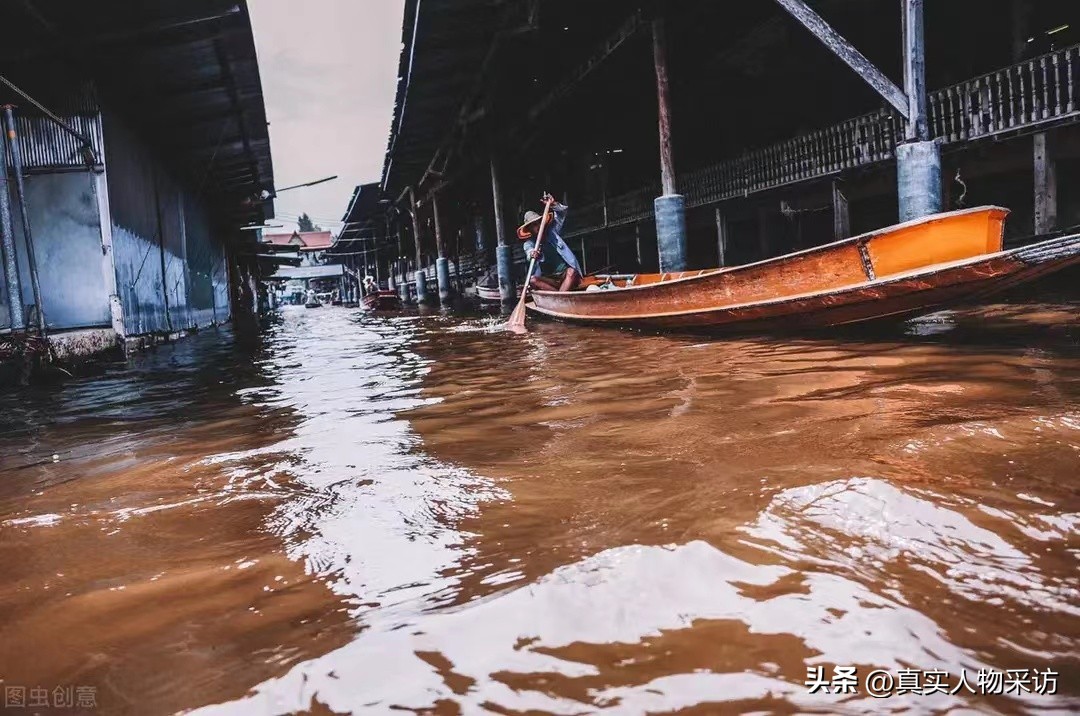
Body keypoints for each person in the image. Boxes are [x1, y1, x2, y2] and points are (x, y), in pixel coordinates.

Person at [517, 192, 583, 292]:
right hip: (550, 280)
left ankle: (560, 298)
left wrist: (553, 204)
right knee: (533, 280)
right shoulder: (529, 244)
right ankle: (561, 295)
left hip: (565, 276)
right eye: (534, 225)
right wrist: (533, 254)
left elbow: (561, 214)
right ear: (529, 230)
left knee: (572, 271)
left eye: (539, 223)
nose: (538, 226)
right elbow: (529, 252)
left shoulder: (553, 232)